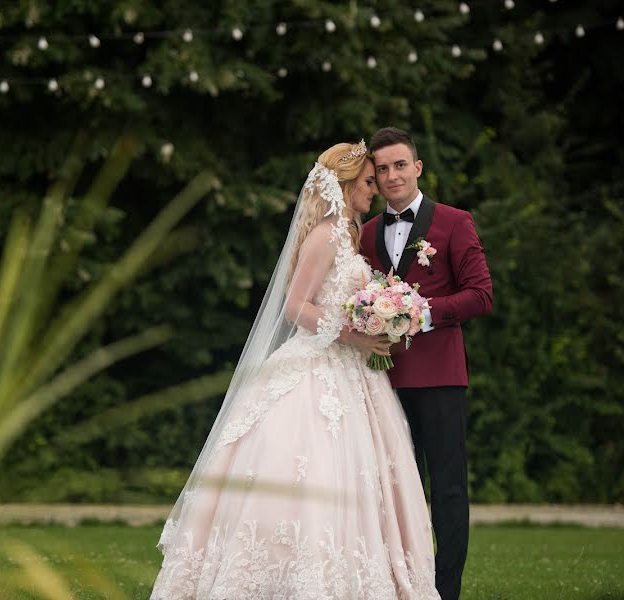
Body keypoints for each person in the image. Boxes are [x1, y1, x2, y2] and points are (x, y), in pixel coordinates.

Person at [151, 141, 441, 599]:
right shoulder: (326, 235)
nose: (376, 189)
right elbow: (295, 306)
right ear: (345, 185)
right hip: (319, 369)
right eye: (368, 181)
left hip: (355, 374)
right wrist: (354, 333)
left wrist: (382, 319)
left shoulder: (347, 237)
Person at [360, 127, 493, 600]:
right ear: (372, 177)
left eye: (400, 165)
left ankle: (447, 591)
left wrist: (424, 314)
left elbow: (481, 294)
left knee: (448, 490)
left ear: (417, 168)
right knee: (396, 491)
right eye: (382, 168)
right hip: (381, 382)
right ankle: (405, 587)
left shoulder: (455, 222)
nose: (392, 175)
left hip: (439, 376)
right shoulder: (367, 233)